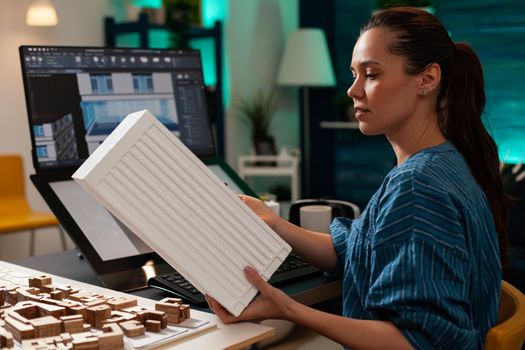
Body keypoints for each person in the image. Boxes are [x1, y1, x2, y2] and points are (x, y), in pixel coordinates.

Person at [206, 7, 508, 349]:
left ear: (428, 79)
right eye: (354, 74)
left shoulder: (418, 185)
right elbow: (363, 249)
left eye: (372, 75)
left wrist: (288, 309)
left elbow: (416, 342)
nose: (353, 90)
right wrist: (274, 224)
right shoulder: (445, 162)